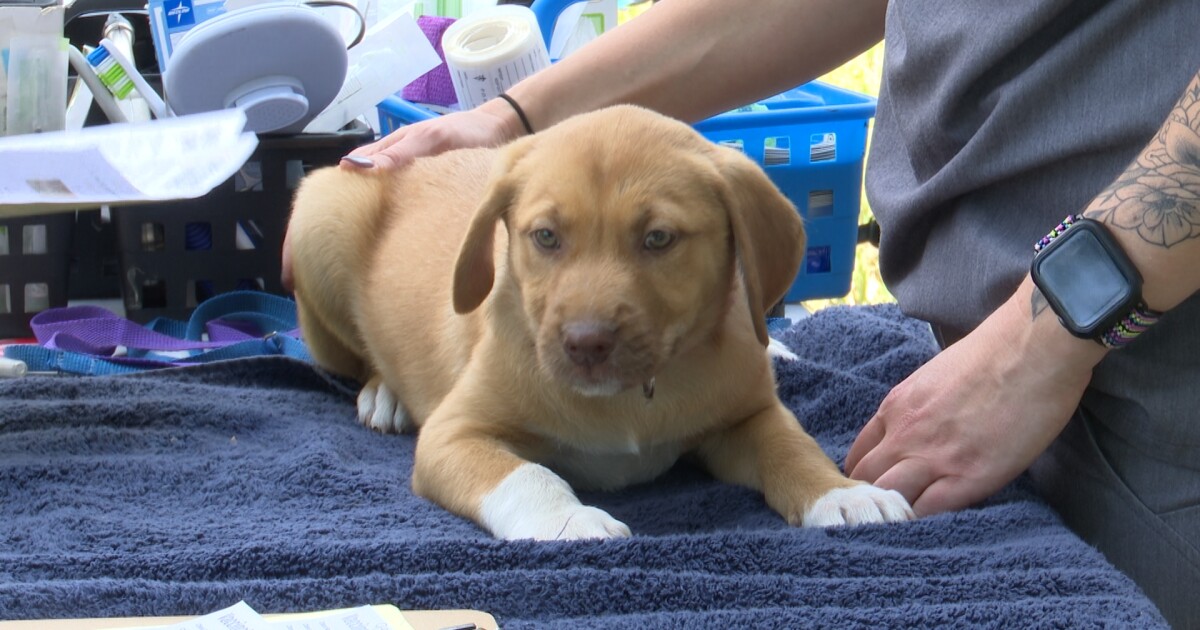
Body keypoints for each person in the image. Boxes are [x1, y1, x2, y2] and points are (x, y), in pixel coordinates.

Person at [282, 1, 1200, 625]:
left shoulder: (724, 331)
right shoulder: (510, 313)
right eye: (546, 243)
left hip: (1154, 372)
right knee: (332, 211)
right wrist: (520, 115)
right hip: (986, 347)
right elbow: (456, 440)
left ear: (748, 260)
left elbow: (746, 419)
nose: (590, 320)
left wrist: (1051, 331)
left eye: (657, 243)